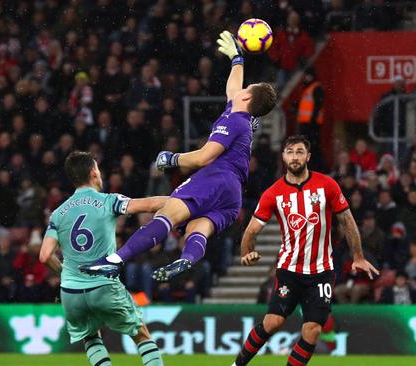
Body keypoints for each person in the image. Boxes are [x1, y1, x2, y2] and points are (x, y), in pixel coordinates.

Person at [79, 31, 277, 282]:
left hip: (216, 178)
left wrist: (171, 159)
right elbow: (233, 88)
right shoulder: (242, 115)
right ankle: (188, 258)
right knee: (197, 228)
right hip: (232, 195)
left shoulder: (234, 121)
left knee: (166, 214)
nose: (241, 88)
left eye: (247, 88)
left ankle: (115, 260)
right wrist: (237, 59)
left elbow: (203, 157)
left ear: (247, 96)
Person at [230, 135, 378, 366]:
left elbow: (347, 221)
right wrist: (246, 252)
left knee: (312, 330)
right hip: (289, 269)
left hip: (321, 271)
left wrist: (358, 256)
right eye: (290, 152)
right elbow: (251, 231)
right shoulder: (273, 193)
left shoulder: (327, 185)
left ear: (308, 156)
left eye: (300, 152)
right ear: (283, 157)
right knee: (273, 322)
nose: (295, 156)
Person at [39, 151, 169, 366]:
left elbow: (44, 256)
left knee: (91, 337)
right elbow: (148, 205)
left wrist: (66, 274)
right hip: (103, 285)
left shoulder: (58, 213)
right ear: (92, 172)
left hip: (71, 292)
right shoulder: (109, 201)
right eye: (98, 170)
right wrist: (184, 200)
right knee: (141, 335)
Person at [296, 67, 326, 171]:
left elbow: (318, 106)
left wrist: (312, 121)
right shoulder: (308, 88)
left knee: (313, 147)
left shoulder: (315, 88)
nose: (306, 78)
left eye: (308, 75)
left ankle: (317, 167)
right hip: (306, 123)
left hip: (311, 124)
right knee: (310, 147)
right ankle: (313, 167)